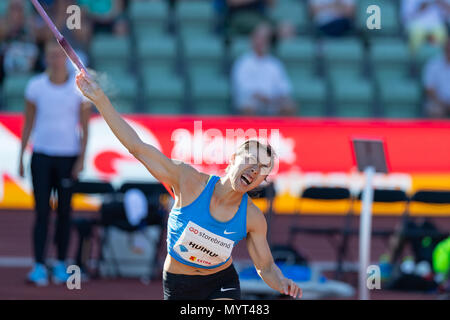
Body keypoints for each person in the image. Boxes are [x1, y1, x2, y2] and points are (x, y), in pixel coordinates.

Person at [75, 70, 302, 300]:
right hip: (178, 284)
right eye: (250, 160)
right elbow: (137, 147)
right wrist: (100, 99)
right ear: (234, 158)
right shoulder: (188, 180)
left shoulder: (252, 218)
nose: (254, 169)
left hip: (221, 282)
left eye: (262, 169)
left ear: (260, 182)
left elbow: (266, 267)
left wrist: (282, 282)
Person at [19, 41, 91, 286]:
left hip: (67, 158)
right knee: (41, 212)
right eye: (49, 55)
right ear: (45, 59)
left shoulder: (76, 89)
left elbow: (85, 126)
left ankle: (60, 263)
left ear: (66, 59)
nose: (54, 59)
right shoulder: (35, 86)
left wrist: (81, 158)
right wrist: (21, 156)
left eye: (58, 56)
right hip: (41, 156)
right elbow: (28, 123)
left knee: (64, 213)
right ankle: (39, 265)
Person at [231, 23, 296, 116]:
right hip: (252, 100)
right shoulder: (243, 63)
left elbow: (284, 88)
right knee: (249, 107)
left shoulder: (275, 64)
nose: (261, 42)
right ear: (252, 40)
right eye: (258, 38)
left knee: (289, 106)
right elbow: (243, 88)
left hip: (272, 101)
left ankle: (285, 131)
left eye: (264, 39)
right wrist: (260, 97)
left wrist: (277, 98)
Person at [423, 38, 450, 117]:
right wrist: (443, 102)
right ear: (444, 48)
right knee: (435, 110)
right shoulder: (433, 65)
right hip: (438, 101)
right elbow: (429, 89)